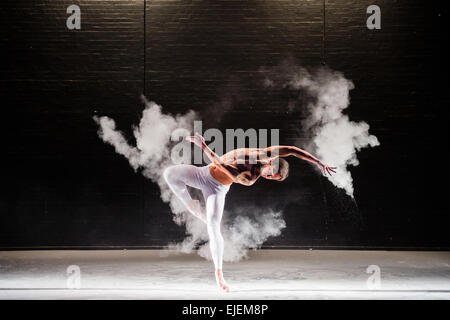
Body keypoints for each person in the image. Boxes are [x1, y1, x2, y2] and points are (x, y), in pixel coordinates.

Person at [163, 133, 336, 292]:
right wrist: (319, 163)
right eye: (271, 173)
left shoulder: (250, 178)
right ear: (272, 163)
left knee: (213, 228)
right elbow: (291, 150)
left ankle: (219, 274)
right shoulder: (266, 153)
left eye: (271, 179)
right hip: (203, 173)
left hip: (216, 189)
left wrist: (203, 146)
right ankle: (192, 207)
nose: (267, 176)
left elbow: (221, 164)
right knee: (169, 173)